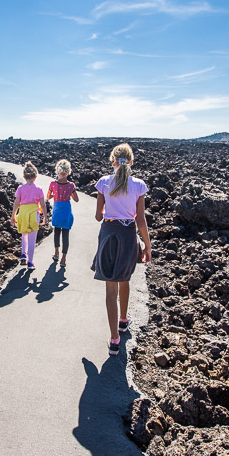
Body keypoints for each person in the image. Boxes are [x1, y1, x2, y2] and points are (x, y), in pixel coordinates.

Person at [92, 143, 152, 356]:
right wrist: (147, 246)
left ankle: (114, 340)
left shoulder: (104, 182)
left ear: (113, 162)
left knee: (111, 288)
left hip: (109, 233)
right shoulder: (139, 185)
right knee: (125, 280)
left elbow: (99, 216)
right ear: (131, 162)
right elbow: (141, 220)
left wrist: (108, 206)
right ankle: (123, 322)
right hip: (128, 236)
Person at [10, 162, 46, 270]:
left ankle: (23, 254)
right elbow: (43, 204)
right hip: (34, 214)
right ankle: (30, 262)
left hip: (22, 214)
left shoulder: (20, 189)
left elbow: (16, 203)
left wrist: (13, 216)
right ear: (35, 176)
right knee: (31, 239)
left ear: (24, 177)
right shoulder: (38, 189)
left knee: (24, 235)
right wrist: (45, 216)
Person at [47, 159, 79, 268]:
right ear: (68, 171)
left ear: (58, 171)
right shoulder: (71, 185)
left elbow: (48, 197)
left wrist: (56, 195)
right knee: (66, 234)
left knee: (56, 232)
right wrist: (69, 193)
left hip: (57, 210)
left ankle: (56, 253)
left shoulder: (53, 184)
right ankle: (63, 259)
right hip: (66, 211)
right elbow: (76, 199)